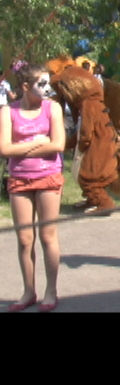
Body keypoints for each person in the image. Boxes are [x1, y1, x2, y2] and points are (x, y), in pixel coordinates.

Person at [0, 62, 66, 312]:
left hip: (48, 177)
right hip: (19, 179)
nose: (47, 88)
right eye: (42, 83)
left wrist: (21, 146)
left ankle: (51, 291)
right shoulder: (8, 111)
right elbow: (4, 149)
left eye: (48, 82)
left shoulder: (53, 108)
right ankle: (29, 291)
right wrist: (40, 142)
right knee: (25, 238)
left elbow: (58, 145)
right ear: (26, 87)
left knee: (48, 236)